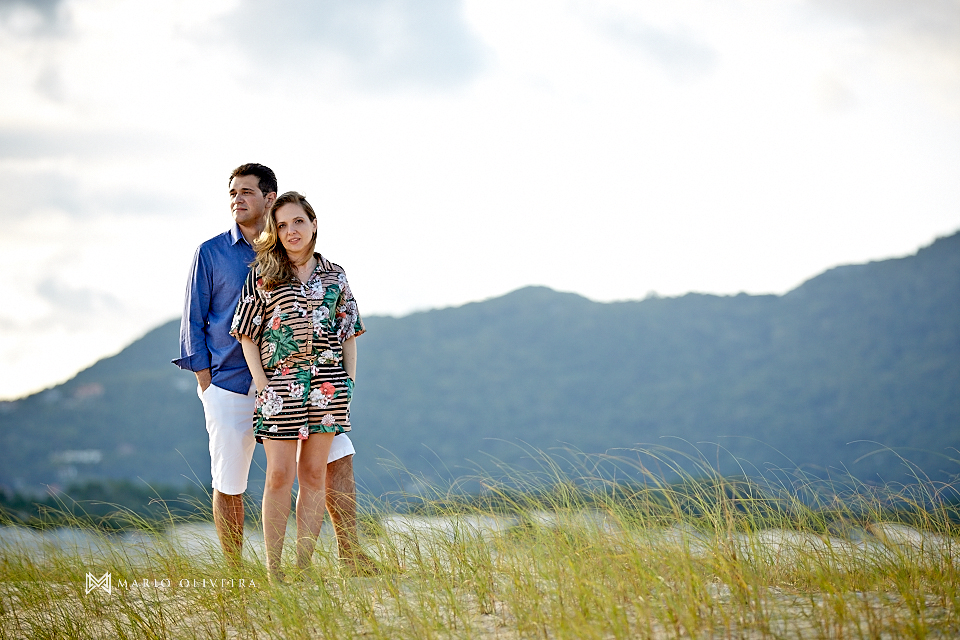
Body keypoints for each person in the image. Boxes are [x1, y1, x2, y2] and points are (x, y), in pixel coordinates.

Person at [173, 164, 375, 574]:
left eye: (246, 192)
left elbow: (346, 325)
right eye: (232, 193)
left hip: (314, 387)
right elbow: (195, 319)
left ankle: (350, 555)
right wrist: (205, 382)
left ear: (269, 199)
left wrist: (346, 381)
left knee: (335, 462)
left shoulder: (308, 263)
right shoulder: (214, 254)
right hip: (235, 383)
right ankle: (238, 572)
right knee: (233, 478)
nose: (237, 200)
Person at [230, 191, 363, 581]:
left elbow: (349, 331)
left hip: (327, 386)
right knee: (278, 476)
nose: (291, 231)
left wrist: (349, 382)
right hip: (279, 390)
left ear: (314, 223)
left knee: (314, 475)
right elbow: (246, 334)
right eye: (283, 224)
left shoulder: (335, 274)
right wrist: (262, 383)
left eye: (298, 222)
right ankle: (274, 572)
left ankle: (303, 568)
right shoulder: (264, 273)